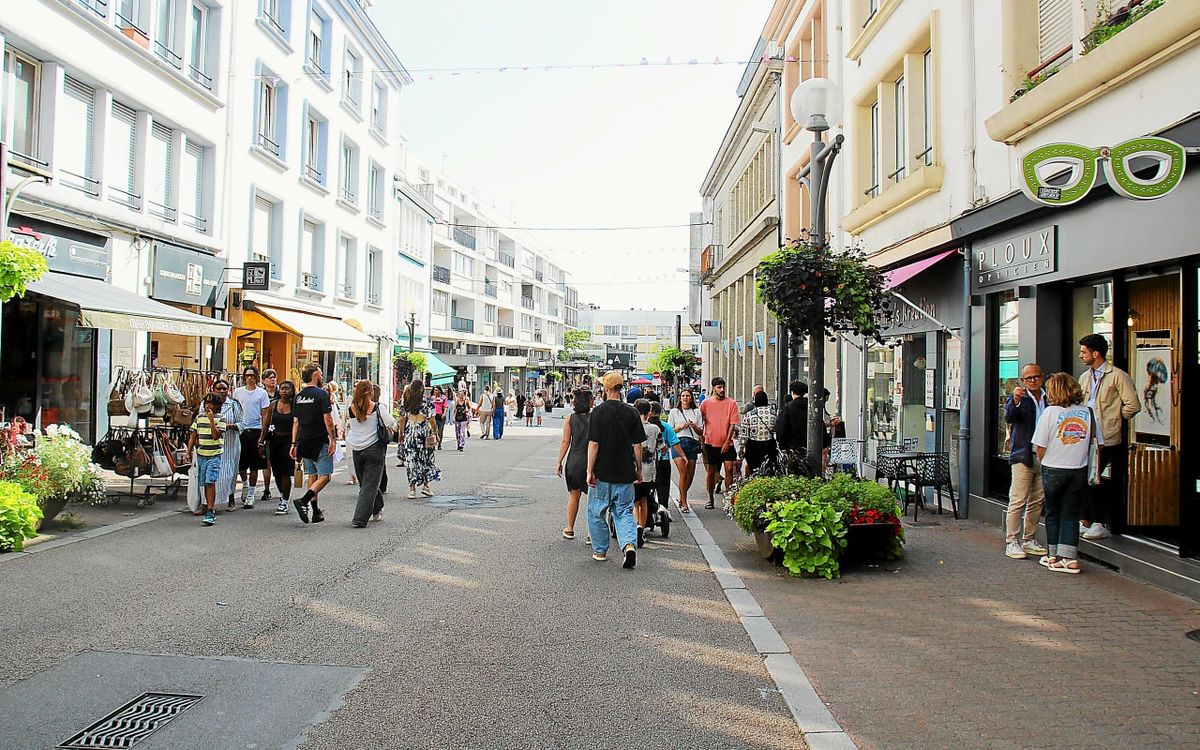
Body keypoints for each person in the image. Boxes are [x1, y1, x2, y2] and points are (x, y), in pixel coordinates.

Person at [1032, 373, 1102, 574]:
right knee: (1071, 514)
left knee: (1053, 512)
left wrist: (1042, 458)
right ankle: (1070, 558)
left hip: (1053, 468)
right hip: (1078, 469)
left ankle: (1052, 555)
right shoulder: (1088, 412)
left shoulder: (1050, 412)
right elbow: (1100, 443)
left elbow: (1040, 446)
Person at [1077, 333, 1141, 540]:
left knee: (1093, 480)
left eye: (1083, 352)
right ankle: (1086, 520)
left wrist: (1115, 419)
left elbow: (1133, 405)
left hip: (1107, 439)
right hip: (1087, 437)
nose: (1080, 356)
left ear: (1096, 354)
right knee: (1085, 478)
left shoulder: (1118, 376)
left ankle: (1098, 522)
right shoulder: (1085, 377)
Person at [587, 371, 645, 569]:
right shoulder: (632, 412)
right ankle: (628, 545)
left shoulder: (598, 412)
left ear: (606, 388)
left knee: (596, 512)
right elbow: (638, 445)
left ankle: (600, 551)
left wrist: (589, 470)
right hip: (625, 472)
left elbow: (593, 444)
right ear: (621, 388)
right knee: (624, 512)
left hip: (602, 472)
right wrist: (638, 469)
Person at [1003, 364, 1049, 559]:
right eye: (1028, 378)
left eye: (1036, 377)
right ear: (1022, 380)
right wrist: (1015, 400)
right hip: (1023, 454)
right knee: (1018, 499)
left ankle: (1029, 539)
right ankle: (1012, 541)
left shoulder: (1050, 398)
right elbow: (1009, 417)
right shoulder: (1020, 399)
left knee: (1037, 500)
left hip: (1045, 455)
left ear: (1042, 377)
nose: (1032, 381)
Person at [345, 380, 398, 527]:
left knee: (366, 484)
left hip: (357, 449)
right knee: (370, 484)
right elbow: (392, 423)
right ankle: (360, 519)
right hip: (374, 448)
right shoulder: (378, 407)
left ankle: (377, 508)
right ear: (370, 392)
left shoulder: (352, 408)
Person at [290, 363, 337, 524]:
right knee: (325, 476)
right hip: (319, 439)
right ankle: (304, 500)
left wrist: (293, 443)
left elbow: (295, 422)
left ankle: (316, 511)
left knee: (312, 475)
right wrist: (333, 438)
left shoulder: (299, 396)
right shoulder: (321, 394)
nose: (322, 376)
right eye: (320, 374)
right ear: (315, 375)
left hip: (304, 439)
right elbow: (328, 419)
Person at [556, 387, 593, 540]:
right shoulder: (595, 418)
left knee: (573, 495)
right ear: (589, 401)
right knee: (591, 498)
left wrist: (559, 461)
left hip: (574, 460)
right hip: (590, 460)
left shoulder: (570, 419)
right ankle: (591, 533)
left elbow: (566, 441)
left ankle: (570, 528)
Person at [232, 366, 271, 509]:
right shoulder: (238, 392)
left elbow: (265, 414)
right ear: (244, 377)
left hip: (255, 430)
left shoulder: (262, 393)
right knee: (241, 463)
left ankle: (251, 494)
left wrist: (263, 433)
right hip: (241, 430)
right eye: (247, 375)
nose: (249, 378)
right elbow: (234, 409)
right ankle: (245, 484)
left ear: (256, 376)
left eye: (252, 375)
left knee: (255, 464)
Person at [186, 393, 227, 526]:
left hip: (214, 455)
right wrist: (188, 451)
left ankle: (210, 510)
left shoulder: (221, 418)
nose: (208, 405)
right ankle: (207, 505)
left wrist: (211, 421)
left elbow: (215, 436)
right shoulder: (198, 418)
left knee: (210, 482)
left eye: (212, 403)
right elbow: (193, 436)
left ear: (218, 406)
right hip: (201, 454)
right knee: (203, 482)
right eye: (207, 403)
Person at [700, 377, 739, 509]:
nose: (721, 390)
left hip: (727, 442)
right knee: (711, 472)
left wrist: (727, 441)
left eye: (723, 387)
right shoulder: (706, 403)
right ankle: (710, 498)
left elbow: (733, 424)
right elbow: (700, 419)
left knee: (729, 469)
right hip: (710, 442)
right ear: (713, 388)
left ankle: (728, 499)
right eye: (719, 387)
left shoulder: (731, 403)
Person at [261, 379, 297, 516]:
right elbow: (265, 424)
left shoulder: (295, 406)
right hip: (274, 440)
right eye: (282, 388)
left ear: (292, 391)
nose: (284, 391)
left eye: (287, 388)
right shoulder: (273, 404)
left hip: (289, 441)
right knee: (276, 472)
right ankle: (282, 494)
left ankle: (285, 501)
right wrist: (261, 441)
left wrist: (296, 443)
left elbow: (298, 424)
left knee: (286, 472)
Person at [401, 378, 441, 497]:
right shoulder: (427, 402)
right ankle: (426, 485)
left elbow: (402, 418)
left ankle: (412, 489)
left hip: (410, 431)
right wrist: (436, 433)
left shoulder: (406, 401)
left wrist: (401, 433)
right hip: (423, 431)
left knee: (411, 460)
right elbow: (432, 420)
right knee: (425, 459)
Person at [649, 401, 685, 529]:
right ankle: (663, 508)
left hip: (646, 464)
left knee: (646, 489)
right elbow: (675, 442)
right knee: (663, 487)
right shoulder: (665, 427)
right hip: (663, 462)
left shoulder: (643, 427)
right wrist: (683, 456)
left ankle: (644, 511)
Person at [668, 388, 704, 513]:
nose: (685, 398)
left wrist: (694, 426)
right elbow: (670, 430)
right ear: (680, 398)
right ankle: (684, 502)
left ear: (691, 398)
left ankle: (681, 495)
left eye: (687, 396)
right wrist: (680, 427)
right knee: (683, 473)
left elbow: (701, 431)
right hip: (678, 444)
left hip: (692, 444)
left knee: (690, 475)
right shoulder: (674, 412)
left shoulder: (696, 412)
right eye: (683, 396)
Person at [210, 379, 243, 512]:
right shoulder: (207, 403)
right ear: (214, 390)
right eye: (219, 389)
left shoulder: (234, 404)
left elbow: (242, 423)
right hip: (212, 443)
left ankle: (230, 498)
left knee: (230, 473)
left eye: (224, 388)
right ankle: (212, 501)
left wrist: (231, 426)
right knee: (213, 473)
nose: (222, 391)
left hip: (230, 444)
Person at [739, 390, 778, 474]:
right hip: (769, 446)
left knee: (753, 469)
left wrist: (741, 450)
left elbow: (744, 435)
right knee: (769, 469)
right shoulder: (774, 414)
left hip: (754, 446)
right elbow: (776, 430)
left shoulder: (749, 415)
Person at [259, 368, 280, 505]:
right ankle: (266, 489)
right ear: (264, 380)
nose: (272, 379)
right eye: (270, 377)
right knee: (266, 463)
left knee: (278, 462)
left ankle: (282, 490)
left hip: (279, 429)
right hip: (264, 429)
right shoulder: (261, 394)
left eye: (274, 377)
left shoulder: (281, 393)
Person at [775, 381, 809, 456]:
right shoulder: (810, 406)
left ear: (792, 392)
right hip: (809, 444)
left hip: (792, 446)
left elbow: (782, 428)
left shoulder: (788, 408)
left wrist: (782, 446)